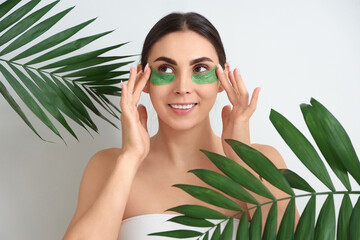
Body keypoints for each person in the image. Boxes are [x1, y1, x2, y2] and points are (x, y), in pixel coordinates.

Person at [63, 12, 292, 240]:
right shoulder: (107, 166)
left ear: (223, 79)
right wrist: (130, 158)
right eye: (165, 69)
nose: (183, 87)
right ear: (144, 78)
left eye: (200, 69)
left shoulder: (265, 162)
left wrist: (243, 159)